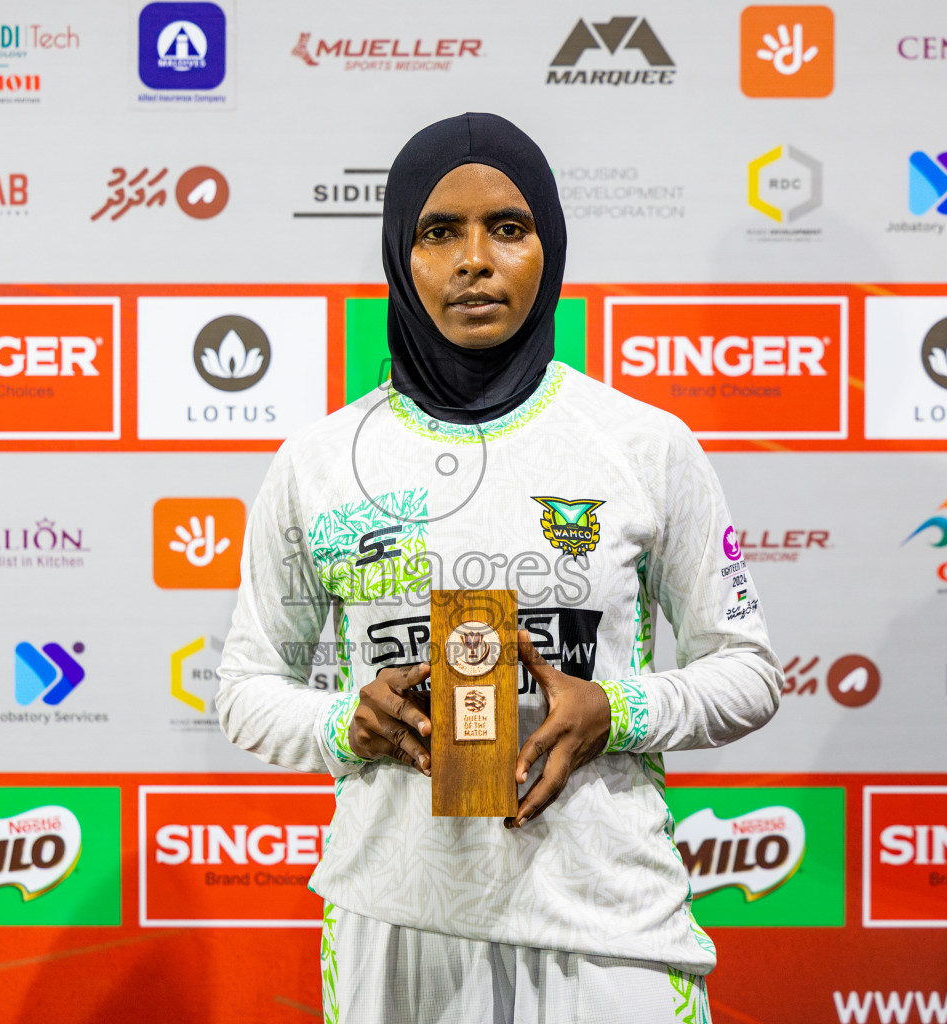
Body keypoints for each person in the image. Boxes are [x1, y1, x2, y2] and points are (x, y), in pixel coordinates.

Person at [217, 112, 782, 1024]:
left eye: (507, 229)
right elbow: (244, 687)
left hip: (608, 923)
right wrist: (343, 723)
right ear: (402, 258)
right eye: (440, 232)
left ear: (549, 251)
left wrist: (621, 710)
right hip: (396, 923)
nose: (474, 260)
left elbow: (748, 673)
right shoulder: (319, 462)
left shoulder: (644, 446)